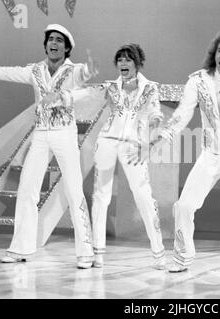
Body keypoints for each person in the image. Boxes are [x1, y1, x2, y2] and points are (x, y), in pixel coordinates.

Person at [0, 24, 98, 269]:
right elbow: (5, 72)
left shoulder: (73, 70)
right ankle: (21, 249)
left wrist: (90, 69)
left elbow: (86, 74)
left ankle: (86, 252)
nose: (54, 43)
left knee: (73, 190)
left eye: (59, 40)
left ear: (67, 47)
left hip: (64, 135)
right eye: (50, 39)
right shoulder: (35, 70)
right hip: (40, 135)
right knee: (27, 189)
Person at [140, 30, 220, 277]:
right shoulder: (197, 81)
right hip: (211, 154)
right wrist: (161, 137)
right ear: (214, 54)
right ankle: (183, 255)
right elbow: (182, 115)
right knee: (184, 205)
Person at [49, 44, 166, 270]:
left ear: (137, 63)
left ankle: (159, 252)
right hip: (107, 143)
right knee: (101, 196)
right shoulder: (111, 87)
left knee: (143, 197)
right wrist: (61, 96)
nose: (123, 63)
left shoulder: (149, 88)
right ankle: (97, 252)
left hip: (133, 146)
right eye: (120, 59)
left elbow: (155, 110)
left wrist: (155, 120)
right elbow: (85, 93)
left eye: (128, 60)